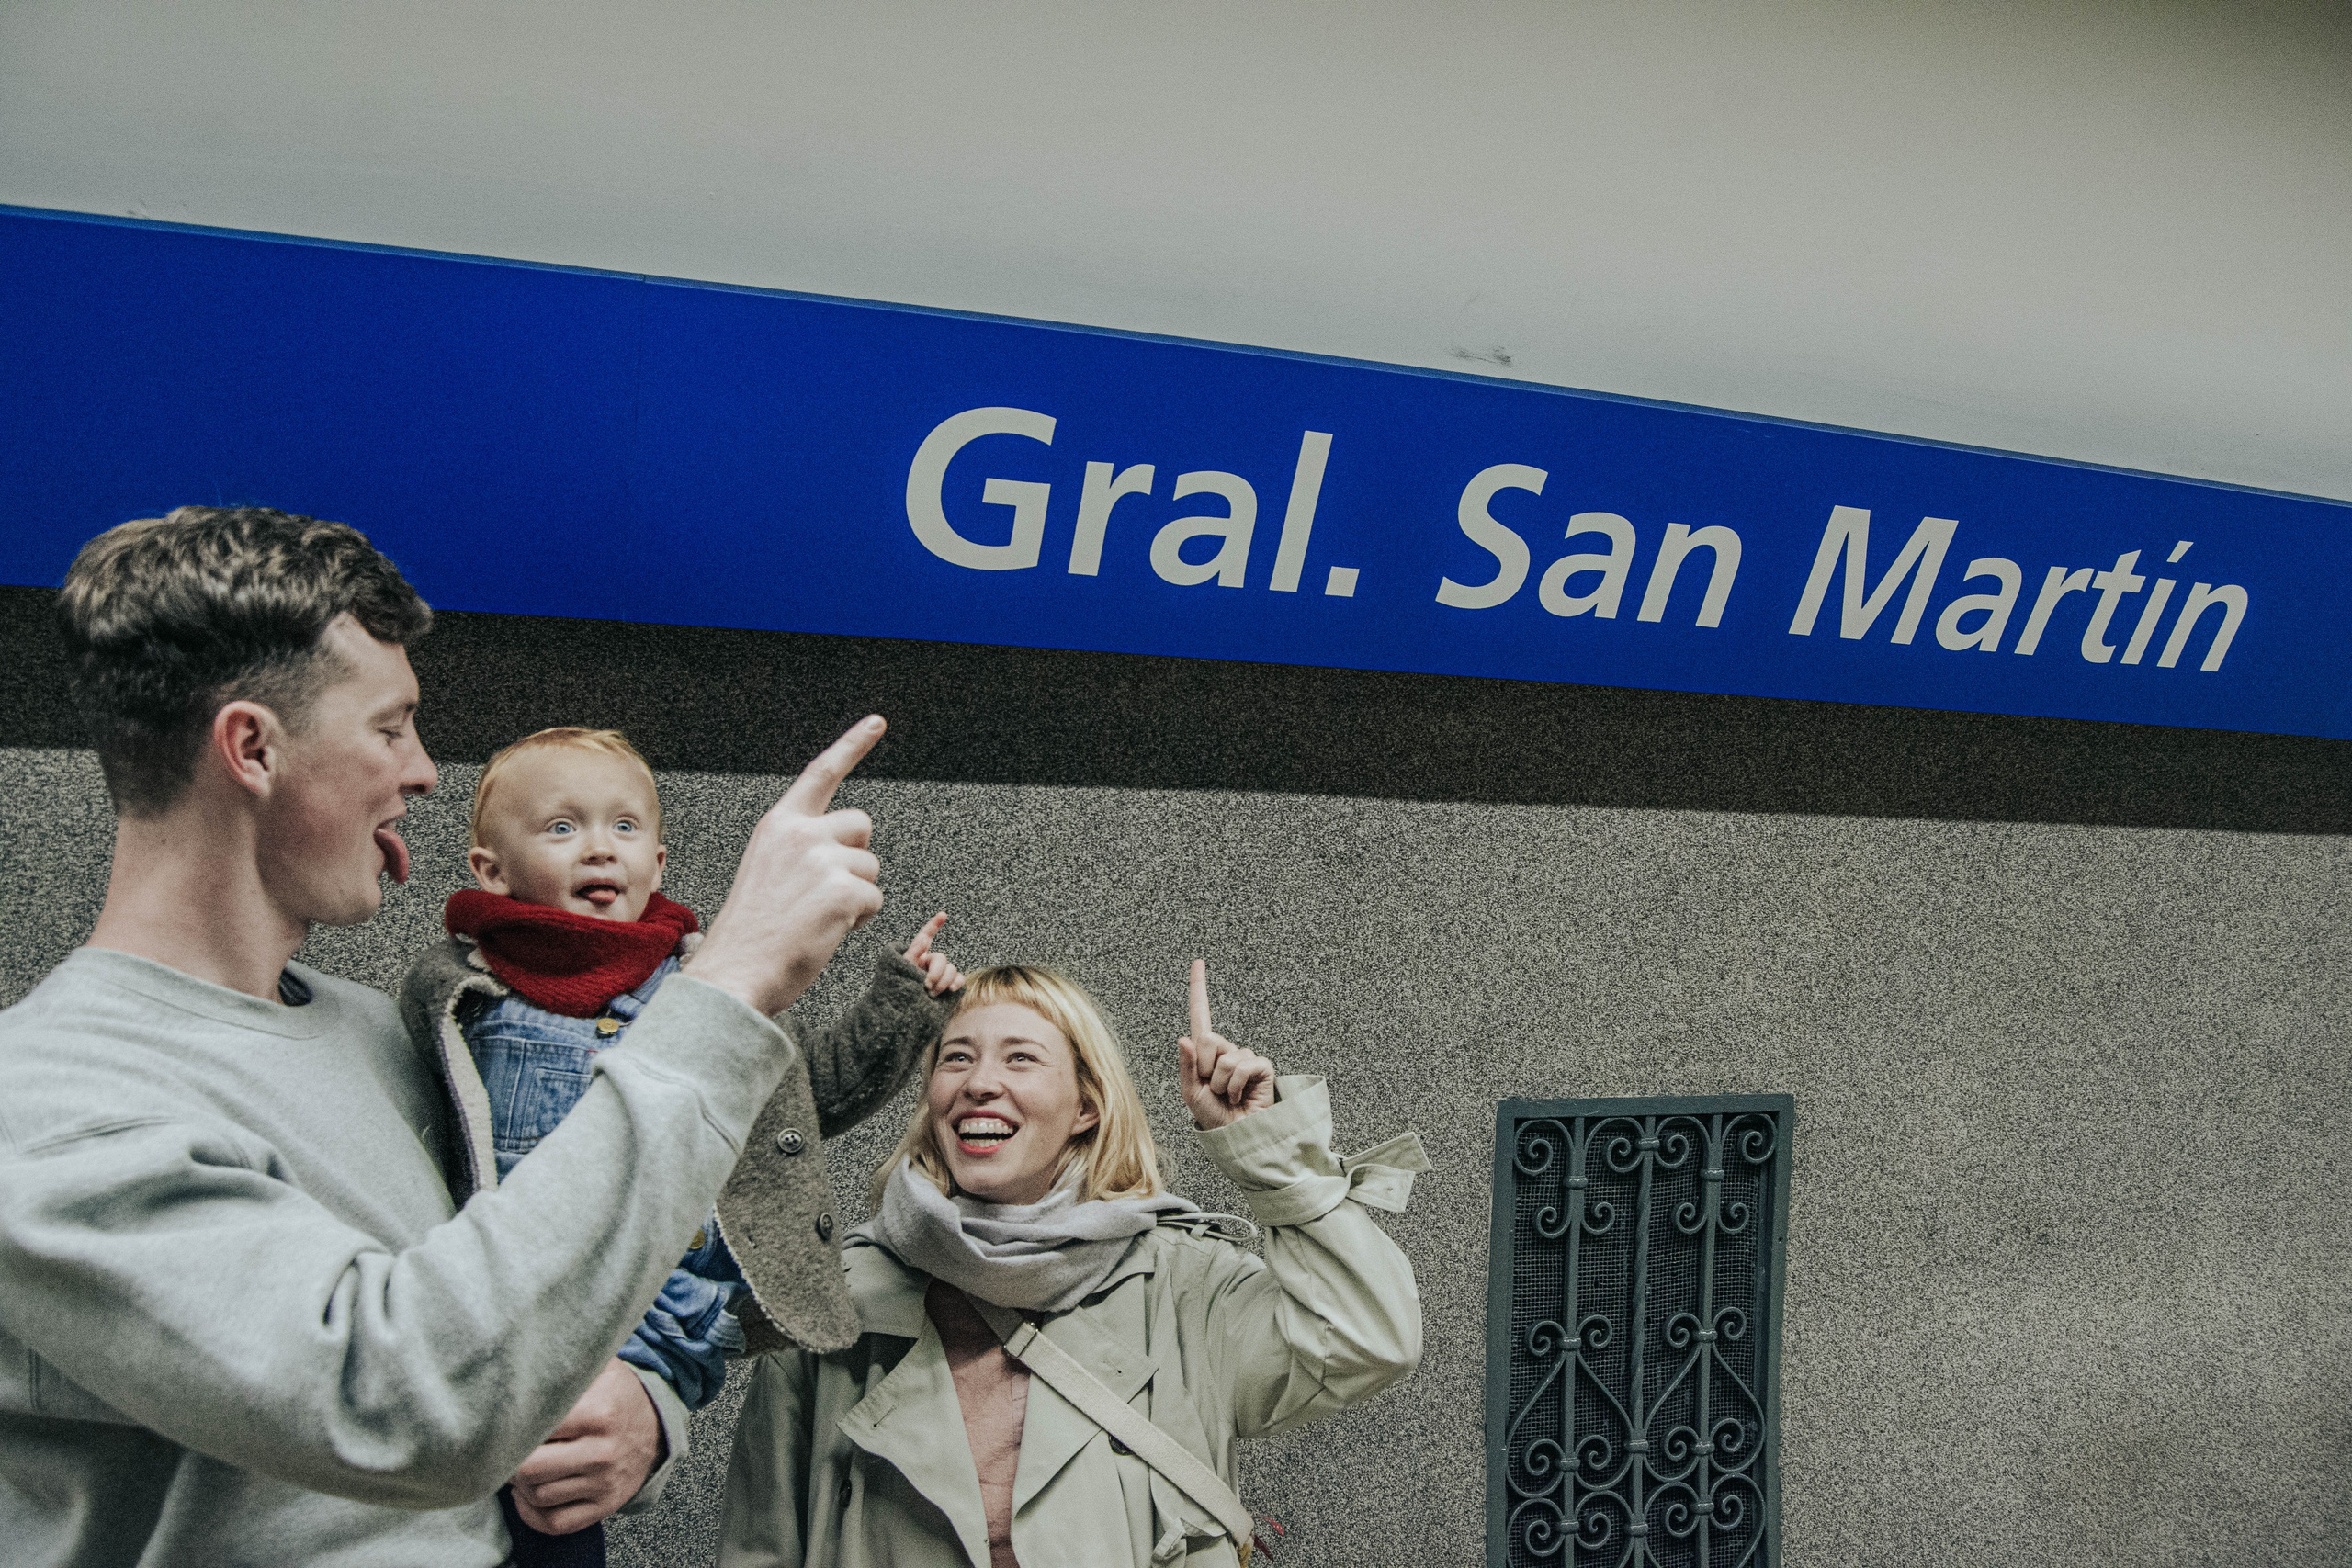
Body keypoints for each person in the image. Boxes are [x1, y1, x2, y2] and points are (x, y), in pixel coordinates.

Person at [0, 505, 901, 1564]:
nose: (424, 771)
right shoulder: (49, 1105)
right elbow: (397, 1399)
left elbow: (529, 1295)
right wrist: (732, 977)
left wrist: (647, 1404)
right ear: (253, 748)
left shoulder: (382, 1032)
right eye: (390, 728)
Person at [399, 725, 966, 1562]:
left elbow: (808, 1100)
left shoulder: (703, 987)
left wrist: (902, 1004)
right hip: (492, 1333)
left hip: (654, 1325)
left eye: (624, 828)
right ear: (491, 870)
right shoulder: (456, 996)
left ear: (659, 864)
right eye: (562, 827)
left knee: (557, 1523)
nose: (599, 847)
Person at [719, 959, 1430, 1568]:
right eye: (956, 1056)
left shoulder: (1181, 1285)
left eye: (1020, 1057)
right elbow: (760, 1542)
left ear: (1086, 1106)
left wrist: (1268, 1155)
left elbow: (1369, 1336)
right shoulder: (841, 1293)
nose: (978, 1082)